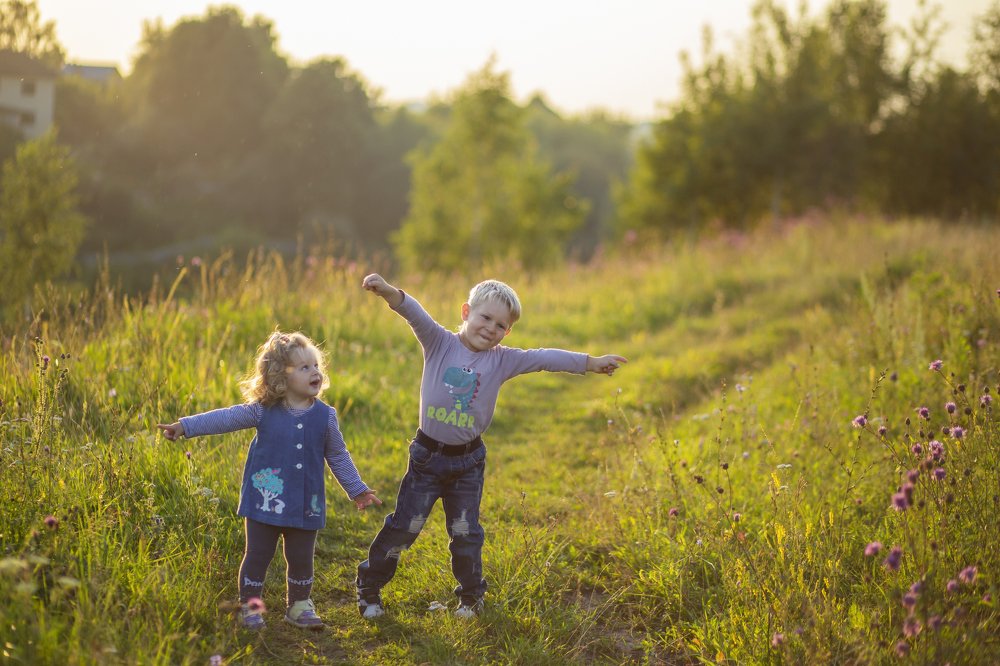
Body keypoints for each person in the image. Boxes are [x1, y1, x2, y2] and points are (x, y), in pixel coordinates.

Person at [356, 274, 626, 620]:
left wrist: (589, 362)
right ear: (467, 311)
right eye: (485, 318)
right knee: (404, 527)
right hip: (427, 458)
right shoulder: (439, 342)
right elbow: (415, 313)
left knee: (466, 533)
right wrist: (389, 293)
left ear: (507, 332)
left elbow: (543, 357)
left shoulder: (503, 359)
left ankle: (470, 597)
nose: (490, 328)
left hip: (467, 462)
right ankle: (369, 587)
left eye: (501, 325)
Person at [157, 330, 381, 631]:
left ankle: (299, 605)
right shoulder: (263, 412)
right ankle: (250, 607)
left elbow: (338, 455)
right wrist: (185, 426)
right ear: (280, 377)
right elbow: (225, 418)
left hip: (306, 503)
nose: (315, 372)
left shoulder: (325, 416)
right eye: (304, 368)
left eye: (316, 365)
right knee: (258, 555)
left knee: (301, 557)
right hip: (264, 499)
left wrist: (357, 489)